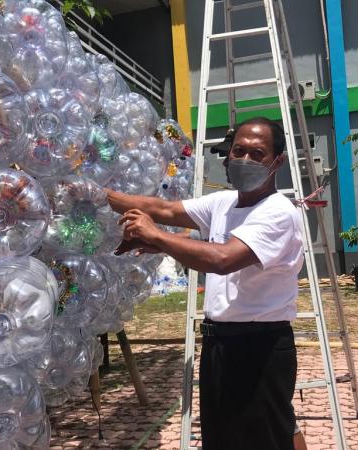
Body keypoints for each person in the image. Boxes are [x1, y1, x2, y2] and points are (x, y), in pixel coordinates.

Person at [107, 116, 304, 450]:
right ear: (227, 157)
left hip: (260, 348)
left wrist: (155, 235)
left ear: (278, 161)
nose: (244, 160)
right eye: (238, 151)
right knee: (230, 438)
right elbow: (162, 208)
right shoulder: (224, 203)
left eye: (257, 154)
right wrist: (100, 194)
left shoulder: (277, 212)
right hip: (220, 345)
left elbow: (222, 259)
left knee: (266, 437)